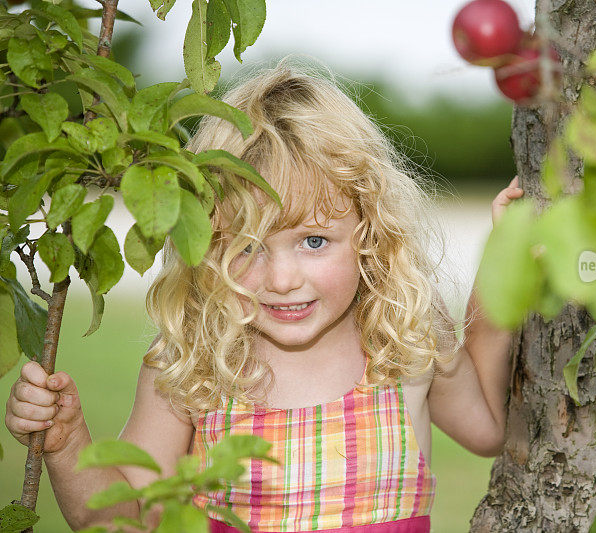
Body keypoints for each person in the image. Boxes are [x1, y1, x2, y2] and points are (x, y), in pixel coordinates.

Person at [4, 57, 525, 532]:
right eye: (248, 247)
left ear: (369, 231)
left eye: (314, 241)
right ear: (206, 246)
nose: (281, 280)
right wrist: (67, 444)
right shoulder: (194, 364)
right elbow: (126, 520)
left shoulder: (401, 337)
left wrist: (506, 258)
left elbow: (489, 430)